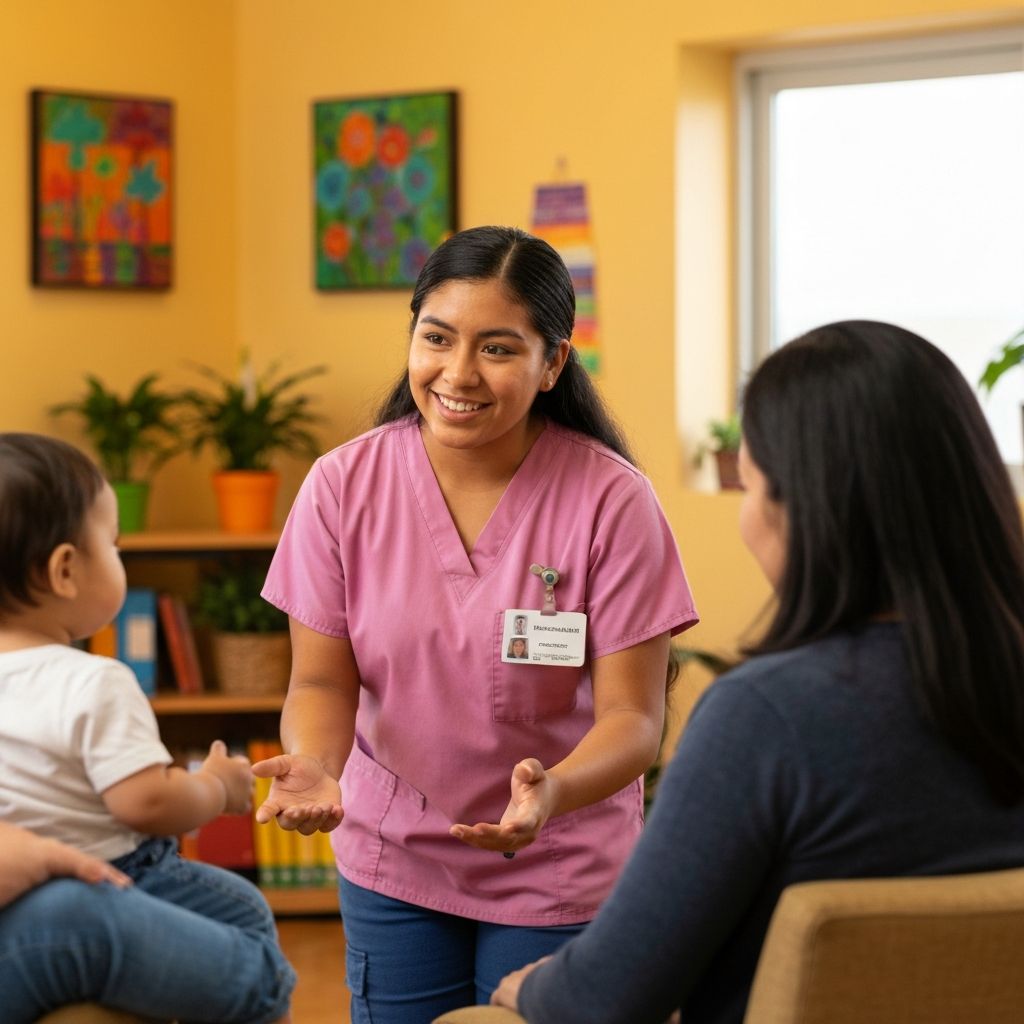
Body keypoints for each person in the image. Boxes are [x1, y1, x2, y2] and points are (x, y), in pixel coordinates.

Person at [489, 320, 1024, 1024]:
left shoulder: (767, 720)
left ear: (805, 510)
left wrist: (526, 988)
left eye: (751, 486)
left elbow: (603, 999)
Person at [254, 225, 698, 1023]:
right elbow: (321, 681)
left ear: (552, 363)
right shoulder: (341, 486)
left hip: (556, 859)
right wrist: (318, 765)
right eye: (437, 338)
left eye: (497, 349)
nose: (458, 374)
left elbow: (633, 719)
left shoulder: (612, 501)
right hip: (394, 857)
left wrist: (553, 792)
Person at [0, 432, 295, 1024]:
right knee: (257, 959)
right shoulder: (92, 680)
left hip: (21, 888)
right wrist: (216, 787)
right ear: (64, 571)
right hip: (116, 871)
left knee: (238, 905)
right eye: (112, 545)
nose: (119, 557)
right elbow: (147, 802)